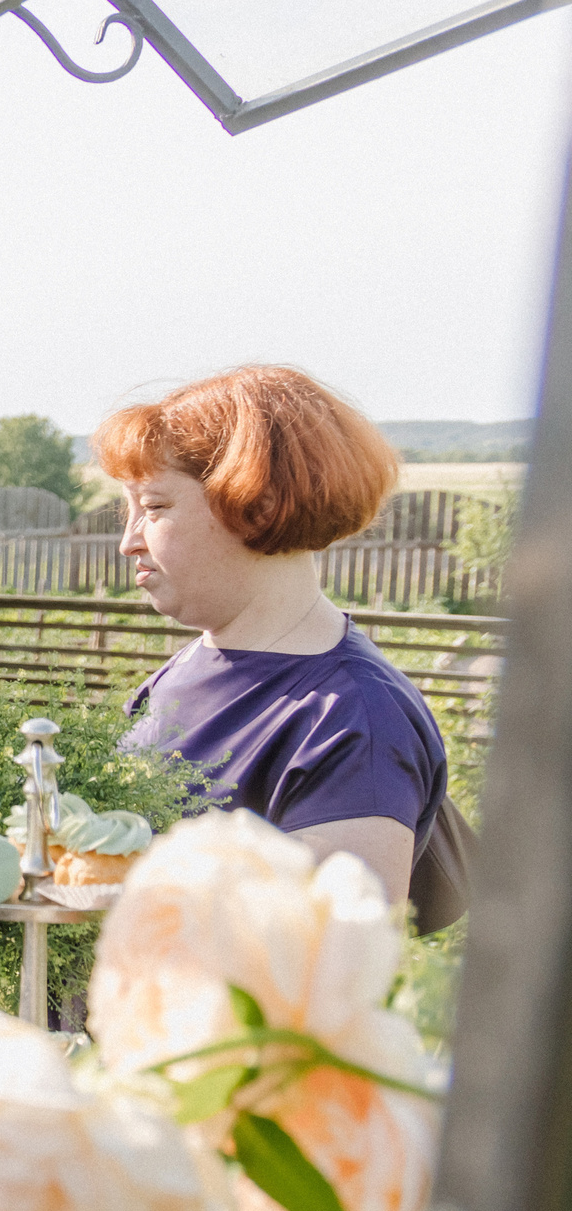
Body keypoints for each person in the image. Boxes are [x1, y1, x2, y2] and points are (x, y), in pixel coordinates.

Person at [100, 365, 447, 908]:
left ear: (256, 505)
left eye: (154, 507)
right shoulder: (196, 663)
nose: (128, 541)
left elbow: (331, 965)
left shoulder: (352, 722)